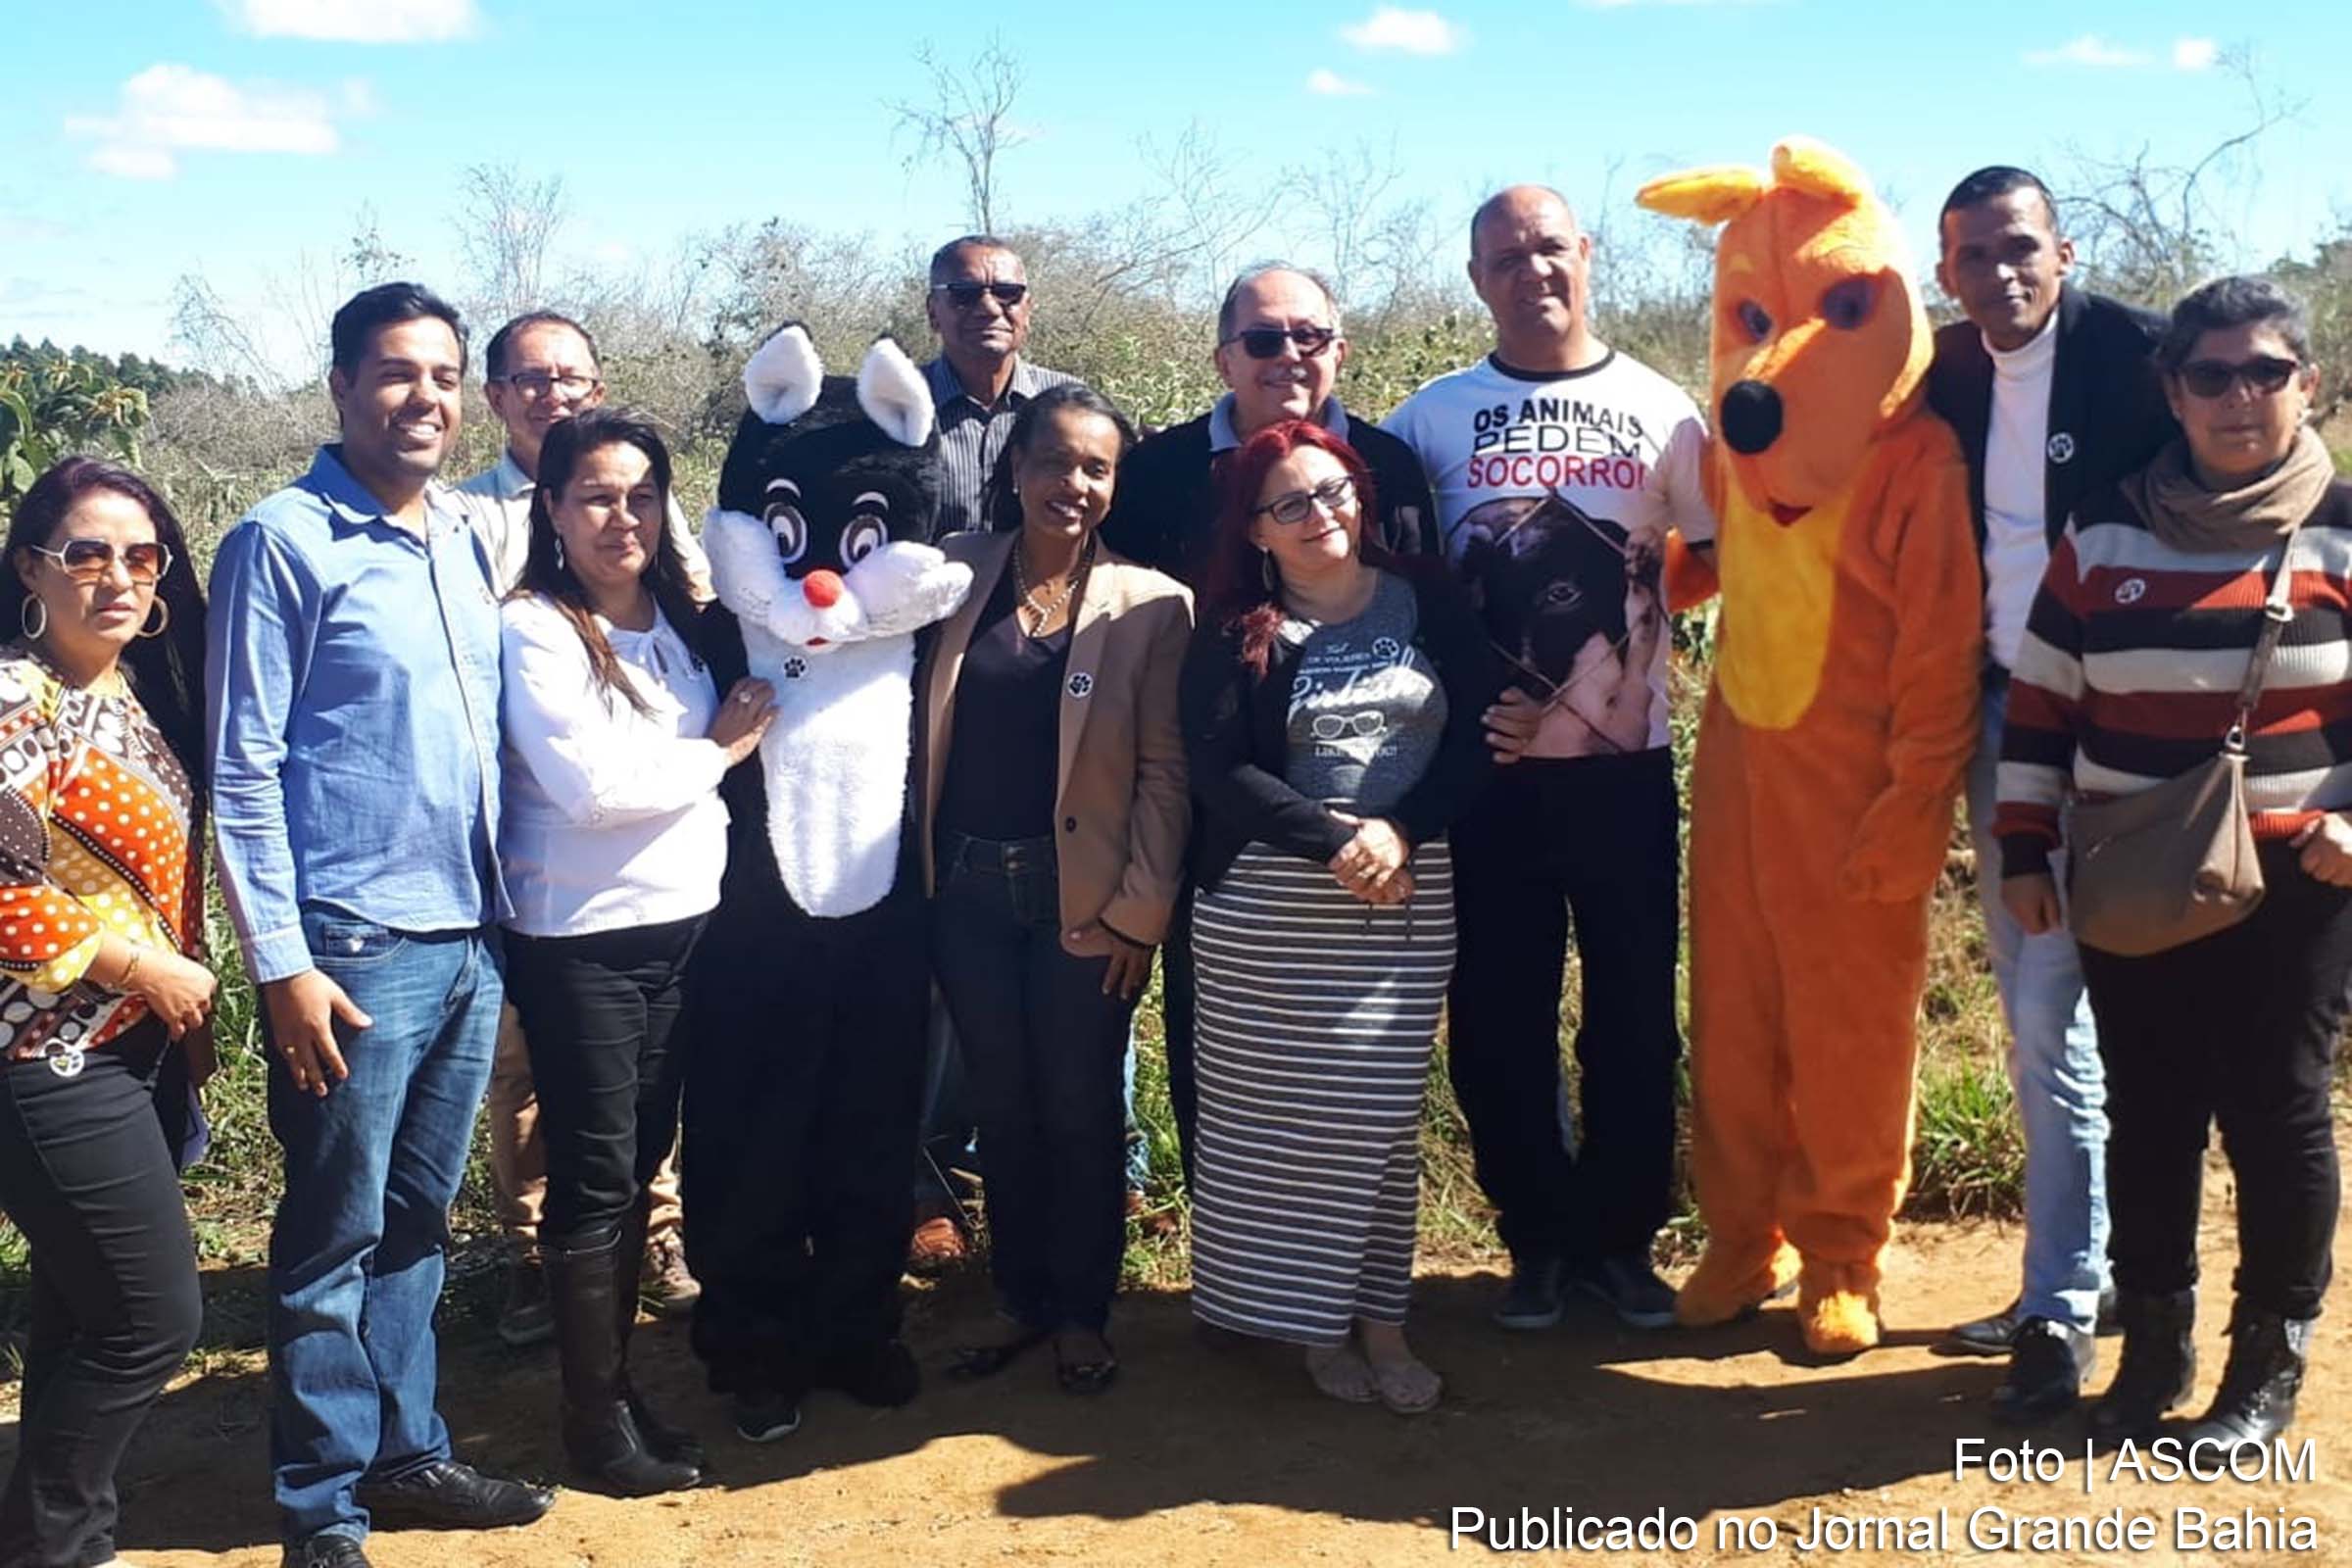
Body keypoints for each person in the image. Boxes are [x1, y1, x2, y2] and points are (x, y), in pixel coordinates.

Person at [209, 282, 553, 1568]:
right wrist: (279, 962)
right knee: (331, 1237)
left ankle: (407, 1455)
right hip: (349, 950)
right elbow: (244, 769)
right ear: (341, 388)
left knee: (416, 1223)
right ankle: (322, 1511)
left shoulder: (466, 534)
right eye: (397, 374)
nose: (425, 398)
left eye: (445, 375)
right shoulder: (283, 541)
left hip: (469, 937)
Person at [1997, 276, 2350, 1452]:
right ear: (2173, 391)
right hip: (2127, 882)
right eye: (2211, 374)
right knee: (2150, 1117)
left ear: (2309, 382)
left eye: (2265, 371)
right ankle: (2152, 1354)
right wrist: (2021, 848)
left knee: (2276, 1114)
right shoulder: (2101, 529)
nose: (2238, 396)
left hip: (2301, 885)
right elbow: (2042, 705)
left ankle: (2266, 1368)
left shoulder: (2343, 529)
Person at [1383, 185, 1713, 1331]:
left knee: (1632, 1012)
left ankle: (1621, 1241)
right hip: (1489, 778)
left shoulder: (1664, 410)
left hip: (1626, 768)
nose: (1533, 271)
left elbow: (1718, 562)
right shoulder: (1429, 420)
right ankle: (1536, 1239)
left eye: (1551, 248)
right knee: (1497, 1012)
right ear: (1477, 279)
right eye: (1506, 256)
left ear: (1589, 257)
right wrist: (1477, 705)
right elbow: (1408, 601)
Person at [1925, 166, 2176, 1419]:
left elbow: (2247, 483)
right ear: (1944, 271)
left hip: (2131, 734)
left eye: (2020, 247)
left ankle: (2067, 1299)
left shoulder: (2143, 357)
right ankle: (2078, 1282)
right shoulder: (1947, 376)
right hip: (1996, 719)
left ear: (2064, 252)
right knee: (2041, 1009)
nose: (2000, 273)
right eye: (1974, 256)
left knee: (2081, 1014)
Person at [1180, 420, 1495, 1413]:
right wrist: (1335, 841)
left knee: (1379, 1121)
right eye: (1291, 504)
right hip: (1270, 916)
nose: (1321, 514)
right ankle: (1311, 1328)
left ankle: (1384, 1325)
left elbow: (1477, 733)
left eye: (1335, 491)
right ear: (1258, 532)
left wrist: (1398, 832)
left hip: (1403, 895)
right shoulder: (1235, 629)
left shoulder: (1427, 599)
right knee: (1280, 1131)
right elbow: (1218, 769)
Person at [1101, 265, 1438, 1182]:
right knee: (1220, 1043)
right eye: (1262, 340)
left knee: (1357, 1065)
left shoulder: (1388, 466)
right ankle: (1236, 1267)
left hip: (1377, 824)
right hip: (1202, 800)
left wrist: (1399, 822)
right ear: (1223, 357)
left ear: (1340, 350)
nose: (1287, 355)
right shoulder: (1161, 472)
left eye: (1309, 337)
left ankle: (1341, 1264)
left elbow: (1432, 618)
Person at [498, 410, 776, 1494]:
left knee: (634, 1163)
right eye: (598, 496)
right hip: (584, 945)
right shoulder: (534, 628)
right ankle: (593, 1422)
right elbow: (594, 790)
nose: (624, 516)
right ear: (554, 509)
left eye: (643, 495)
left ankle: (618, 1390)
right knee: (597, 1177)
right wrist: (716, 751)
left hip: (682, 932)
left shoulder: (674, 621)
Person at [917, 383, 1191, 1394]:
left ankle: (1082, 1310)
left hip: (1087, 902)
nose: (1070, 483)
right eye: (1052, 460)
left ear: (1114, 485)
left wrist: (1141, 909)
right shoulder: (954, 575)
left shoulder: (1153, 604)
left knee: (1078, 1107)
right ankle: (1018, 1298)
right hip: (968, 892)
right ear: (1016, 467)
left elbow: (1165, 771)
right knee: (1003, 1102)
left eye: (1094, 467)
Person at [456, 310, 710, 1345]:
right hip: (557, 889)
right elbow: (584, 776)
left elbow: (693, 624)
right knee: (538, 1089)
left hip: (669, 906)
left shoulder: (663, 553)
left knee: (629, 1123)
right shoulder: (472, 524)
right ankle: (547, 1277)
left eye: (574, 376)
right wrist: (720, 751)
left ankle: (646, 1242)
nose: (554, 393)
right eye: (531, 378)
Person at [0, 458, 214, 1568]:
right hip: (42, 1055)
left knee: (85, 1311)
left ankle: (52, 1536)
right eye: (87, 552)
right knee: (149, 1317)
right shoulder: (14, 696)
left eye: (141, 555)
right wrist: (141, 967)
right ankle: (57, 1544)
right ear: (35, 565)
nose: (117, 575)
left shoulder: (116, 690)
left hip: (119, 1054)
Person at [910, 234, 1081, 1265]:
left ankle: (1103, 1169)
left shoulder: (1070, 407)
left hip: (1058, 697)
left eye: (1008, 290)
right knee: (941, 961)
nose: (990, 306)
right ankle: (931, 1181)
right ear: (933, 307)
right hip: (930, 707)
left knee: (1078, 932)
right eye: (966, 291)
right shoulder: (897, 412)